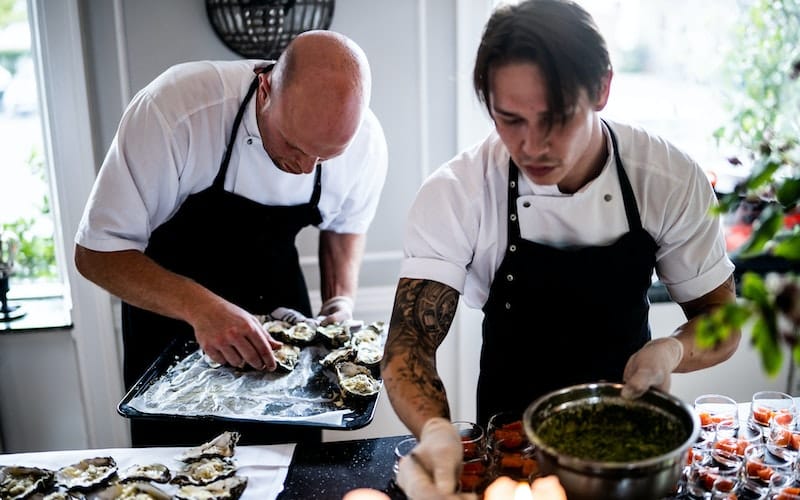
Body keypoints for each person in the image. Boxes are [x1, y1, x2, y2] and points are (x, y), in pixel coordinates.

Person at [381, 0, 740, 496]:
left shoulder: (667, 178)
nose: (532, 146)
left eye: (556, 118)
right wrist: (436, 431)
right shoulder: (458, 192)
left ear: (602, 89)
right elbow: (409, 344)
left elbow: (722, 321)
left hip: (627, 449)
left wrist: (672, 349)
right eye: (510, 119)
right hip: (510, 449)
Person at [74, 30, 388, 446]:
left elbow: (344, 226)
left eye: (326, 156)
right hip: (171, 320)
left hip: (279, 309)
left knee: (291, 465)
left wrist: (339, 302)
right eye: (294, 145)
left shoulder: (366, 143)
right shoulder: (175, 111)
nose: (305, 168)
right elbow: (96, 252)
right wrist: (202, 309)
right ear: (265, 89)